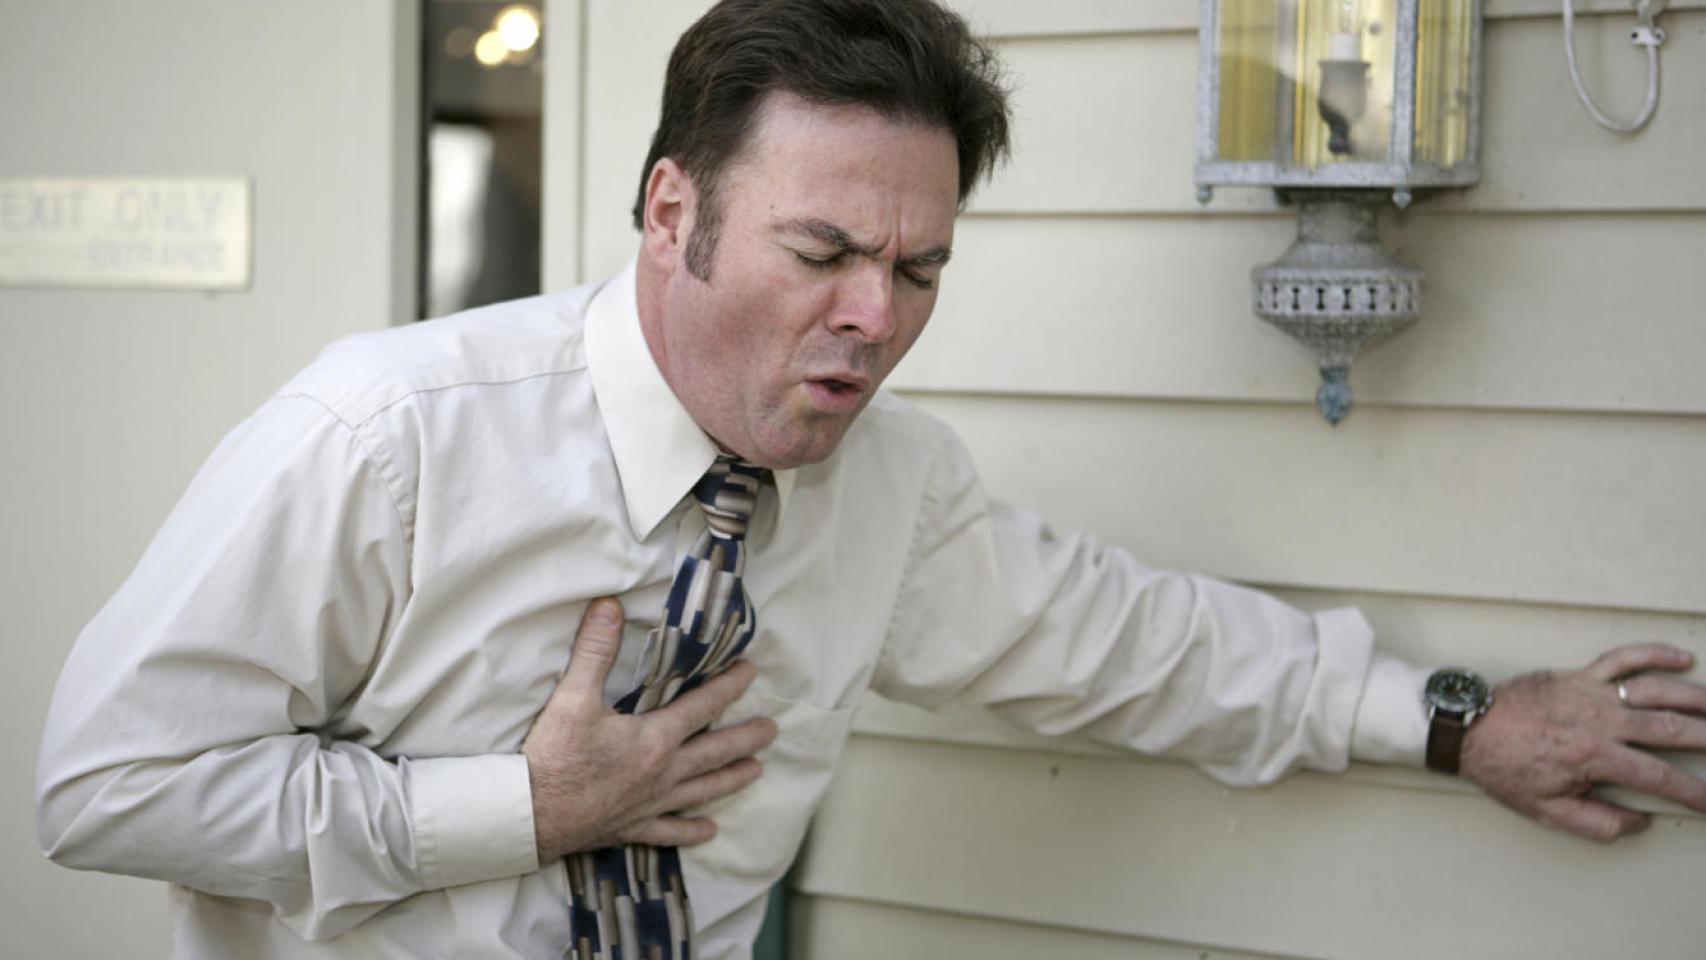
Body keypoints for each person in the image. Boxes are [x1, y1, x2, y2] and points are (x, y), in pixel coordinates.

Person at [36, 1, 1706, 958]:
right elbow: (108, 786)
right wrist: (525, 808)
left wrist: (1464, 717)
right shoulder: (386, 435)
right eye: (823, 251)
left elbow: (1142, 645)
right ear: (671, 211)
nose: (870, 323)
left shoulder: (892, 490)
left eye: (917, 272)